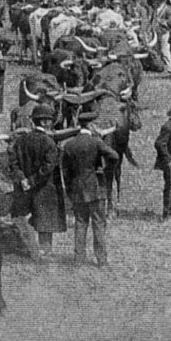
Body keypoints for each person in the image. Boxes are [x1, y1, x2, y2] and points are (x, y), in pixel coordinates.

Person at [60, 111, 119, 265]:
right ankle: (101, 260)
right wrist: (104, 170)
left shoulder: (69, 145)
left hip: (77, 190)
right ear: (91, 125)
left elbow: (65, 171)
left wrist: (69, 190)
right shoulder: (96, 142)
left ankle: (78, 259)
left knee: (80, 224)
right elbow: (114, 156)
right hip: (96, 188)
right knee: (98, 224)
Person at [8, 104, 66, 254]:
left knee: (23, 217)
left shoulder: (21, 141)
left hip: (24, 187)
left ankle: (24, 247)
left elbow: (13, 163)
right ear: (45, 122)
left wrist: (23, 179)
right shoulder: (49, 143)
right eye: (50, 121)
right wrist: (33, 180)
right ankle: (44, 250)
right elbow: (48, 168)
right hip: (45, 187)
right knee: (45, 219)